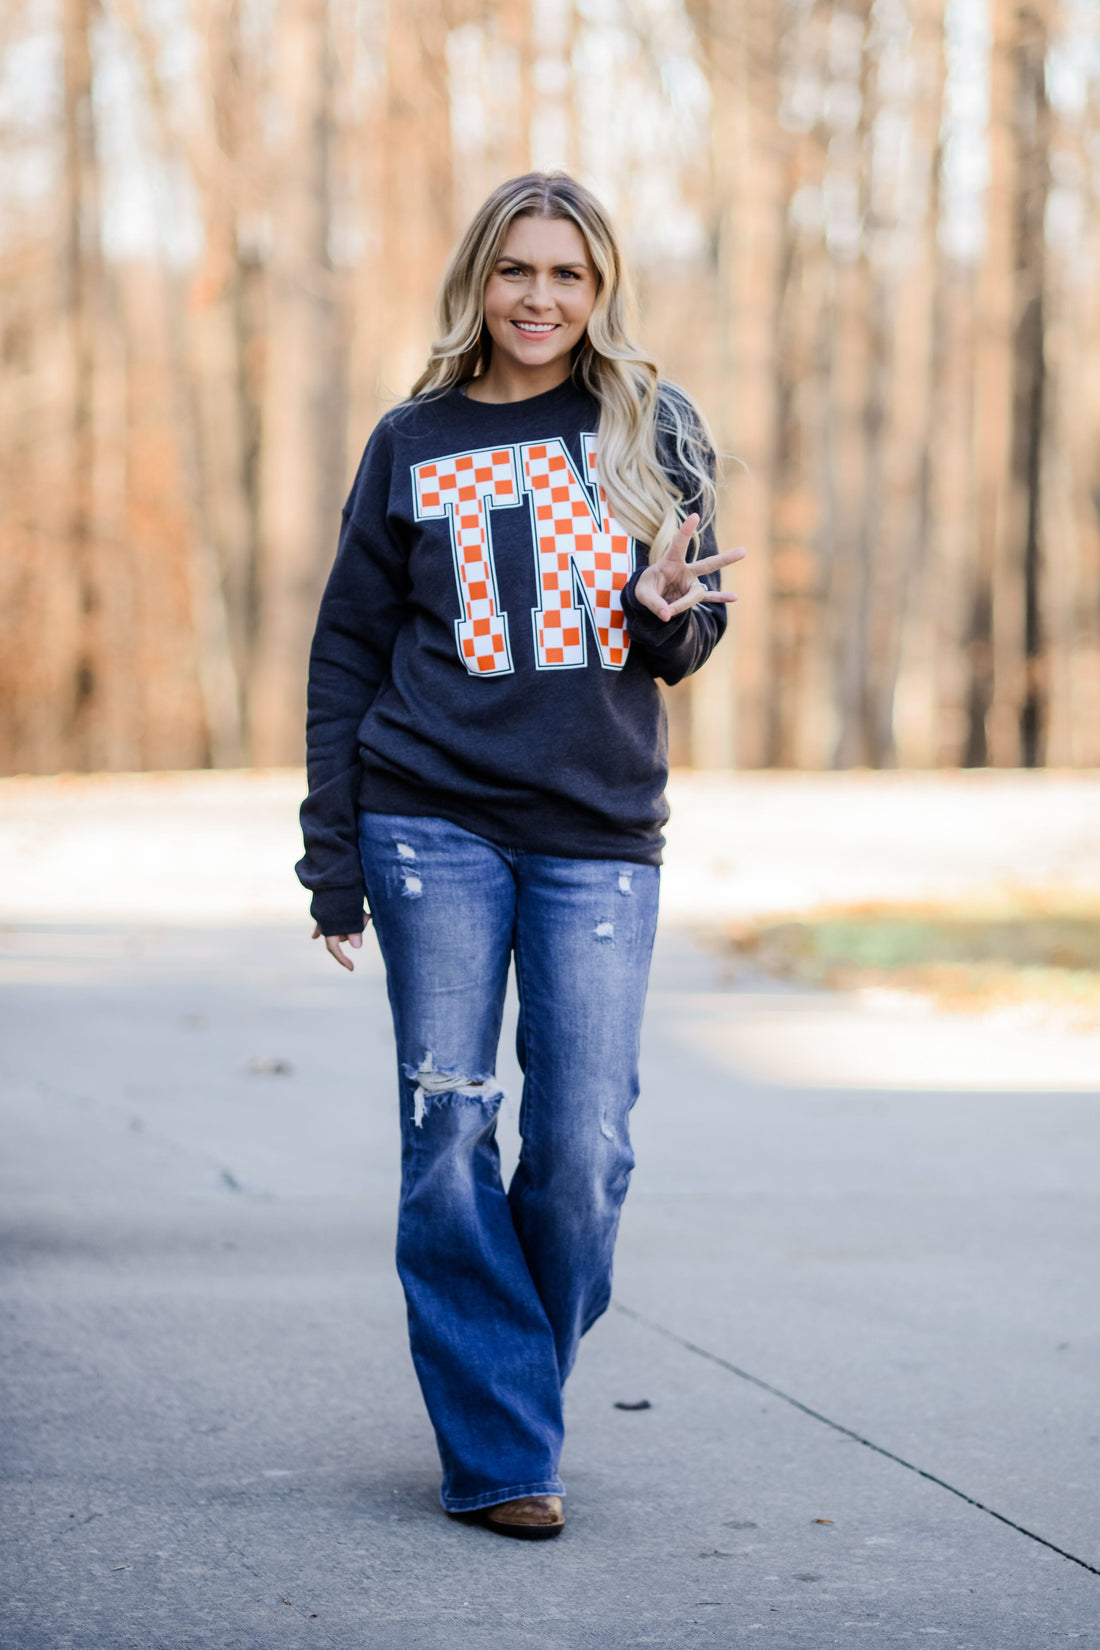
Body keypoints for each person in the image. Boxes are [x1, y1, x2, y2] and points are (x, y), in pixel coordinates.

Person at [296, 171, 743, 1540]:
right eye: (516, 272)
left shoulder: (648, 426)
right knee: (446, 1127)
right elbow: (346, 651)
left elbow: (685, 631)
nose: (540, 298)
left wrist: (664, 613)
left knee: (587, 1143)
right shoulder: (413, 437)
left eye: (567, 274)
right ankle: (503, 1451)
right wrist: (332, 855)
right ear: (476, 283)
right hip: (427, 813)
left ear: (599, 288)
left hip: (598, 830)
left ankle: (506, 1381)